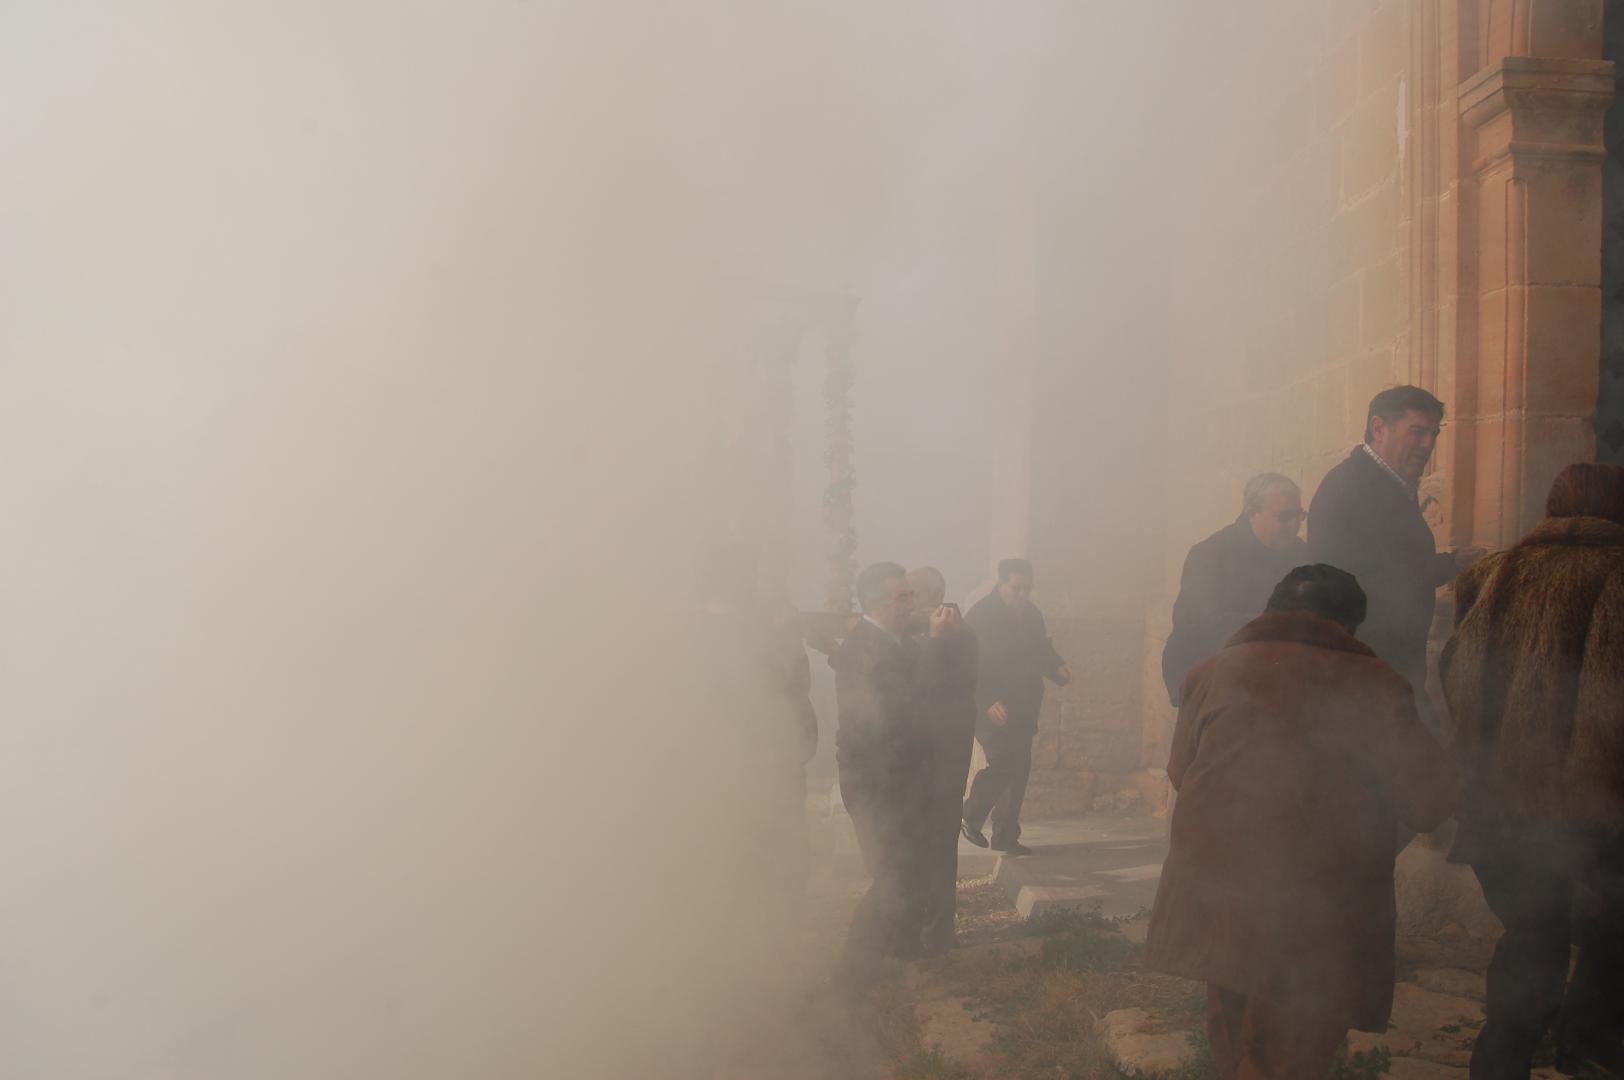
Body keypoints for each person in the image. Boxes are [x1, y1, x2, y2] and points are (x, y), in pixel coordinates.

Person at [1144, 565, 1458, 1079]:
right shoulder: (1376, 683)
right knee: (1290, 1051)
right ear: (1348, 626)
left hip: (1219, 892)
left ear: (1272, 611)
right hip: (1319, 906)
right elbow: (1426, 802)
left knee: (1238, 1040)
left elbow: (1182, 772)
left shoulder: (1210, 672)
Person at [1441, 463, 1624, 1078]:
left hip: (1496, 808)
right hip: (1594, 812)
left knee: (1531, 938)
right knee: (1610, 932)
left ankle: (1502, 1061)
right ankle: (1589, 1044)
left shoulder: (1491, 574)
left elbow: (1454, 676)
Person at [1307, 385, 1484, 700]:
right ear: (1378, 428)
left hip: (1389, 661)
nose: (1427, 444)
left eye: (1433, 434)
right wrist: (1450, 565)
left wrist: (1452, 562)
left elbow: (1393, 560)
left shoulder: (1389, 482)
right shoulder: (1351, 486)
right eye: (1417, 432)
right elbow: (1369, 575)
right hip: (1365, 665)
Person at [833, 561, 961, 982]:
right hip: (876, 785)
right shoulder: (866, 648)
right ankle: (849, 980)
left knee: (909, 876)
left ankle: (896, 964)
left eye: (911, 595)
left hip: (902, 782)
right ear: (876, 602)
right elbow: (908, 706)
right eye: (902, 596)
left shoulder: (894, 641)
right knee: (892, 880)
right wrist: (938, 645)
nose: (912, 603)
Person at [1162, 473, 1307, 705]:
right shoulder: (1209, 554)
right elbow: (1200, 623)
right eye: (1284, 516)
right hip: (1206, 672)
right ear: (1253, 513)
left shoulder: (1301, 555)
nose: (1294, 525)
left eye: (1299, 516)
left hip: (1270, 673)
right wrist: (1280, 623)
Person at [960, 558, 1070, 856]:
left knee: (1019, 768)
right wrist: (986, 700)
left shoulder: (1031, 613)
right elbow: (966, 663)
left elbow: (1040, 650)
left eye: (1027, 588)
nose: (1022, 594)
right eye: (1016, 587)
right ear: (1001, 584)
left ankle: (1006, 835)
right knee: (1003, 763)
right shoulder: (981, 615)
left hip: (1023, 704)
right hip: (991, 706)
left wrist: (1057, 667)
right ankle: (970, 816)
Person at [905, 566, 978, 954]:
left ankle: (936, 933)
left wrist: (934, 641)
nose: (906, 601)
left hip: (942, 759)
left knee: (937, 844)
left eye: (911, 593)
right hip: (919, 757)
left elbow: (931, 689)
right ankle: (916, 924)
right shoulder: (916, 630)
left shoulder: (958, 634)